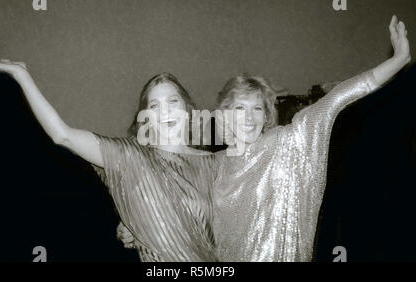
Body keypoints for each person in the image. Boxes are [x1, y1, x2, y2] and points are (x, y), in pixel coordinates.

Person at [118, 15, 411, 261]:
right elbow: (172, 200)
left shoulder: (286, 144)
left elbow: (334, 101)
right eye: (239, 107)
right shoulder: (213, 165)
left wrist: (396, 62)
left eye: (257, 108)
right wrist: (134, 223)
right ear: (223, 114)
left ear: (267, 115)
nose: (248, 116)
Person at [0, 58, 218, 262]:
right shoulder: (130, 157)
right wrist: (22, 75)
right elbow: (62, 135)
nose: (164, 111)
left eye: (173, 101)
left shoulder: (217, 165)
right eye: (154, 105)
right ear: (145, 118)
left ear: (188, 108)